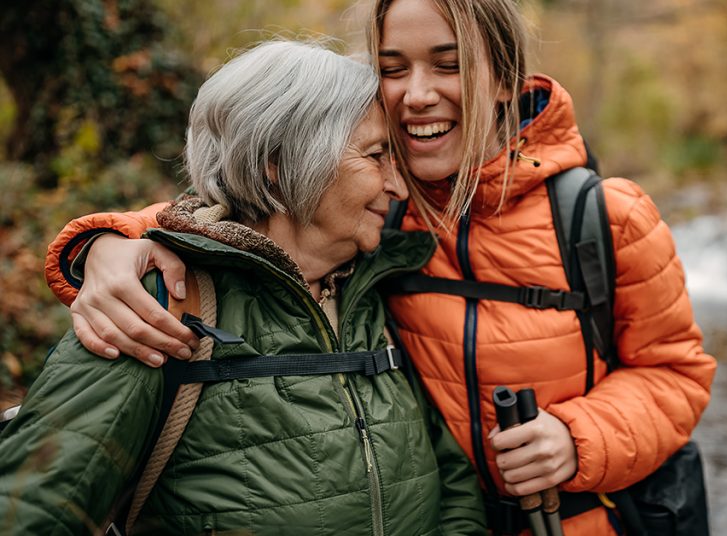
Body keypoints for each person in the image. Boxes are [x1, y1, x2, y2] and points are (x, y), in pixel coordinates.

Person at [42, 0, 718, 533]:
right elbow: (244, 206)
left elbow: (677, 375)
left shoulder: (605, 217)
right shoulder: (375, 209)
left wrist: (580, 437)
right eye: (393, 68)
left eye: (447, 64)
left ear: (507, 77)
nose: (416, 94)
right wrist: (109, 241)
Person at [0, 40, 485, 535]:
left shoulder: (372, 301)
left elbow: (454, 490)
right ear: (279, 164)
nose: (398, 187)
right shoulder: (158, 305)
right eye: (377, 155)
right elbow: (29, 510)